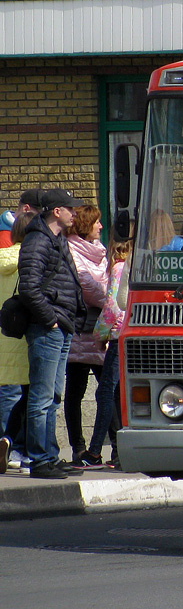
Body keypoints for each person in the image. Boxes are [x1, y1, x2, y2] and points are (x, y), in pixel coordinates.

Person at [18, 188, 87, 479]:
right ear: (56, 211)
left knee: (54, 396)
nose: (75, 213)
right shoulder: (37, 240)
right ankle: (39, 459)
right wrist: (51, 321)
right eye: (70, 208)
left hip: (62, 326)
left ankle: (50, 455)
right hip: (48, 327)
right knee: (42, 396)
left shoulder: (57, 239)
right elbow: (29, 288)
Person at [78, 232, 131, 470]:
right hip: (132, 335)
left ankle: (96, 450)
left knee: (105, 392)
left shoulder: (120, 268)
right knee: (118, 393)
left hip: (118, 335)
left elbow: (111, 306)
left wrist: (100, 335)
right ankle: (119, 452)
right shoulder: (138, 267)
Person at [64, 204, 110, 467]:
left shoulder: (99, 253)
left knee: (109, 391)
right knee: (76, 392)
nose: (100, 227)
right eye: (96, 222)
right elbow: (89, 286)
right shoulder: (72, 251)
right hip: (82, 329)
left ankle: (113, 447)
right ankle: (79, 449)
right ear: (85, 225)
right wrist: (111, 302)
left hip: (100, 329)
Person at [0, 212, 34, 473]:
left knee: (12, 395)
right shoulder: (30, 261)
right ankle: (19, 448)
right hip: (22, 341)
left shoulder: (3, 260)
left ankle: (6, 442)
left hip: (3, 340)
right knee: (32, 396)